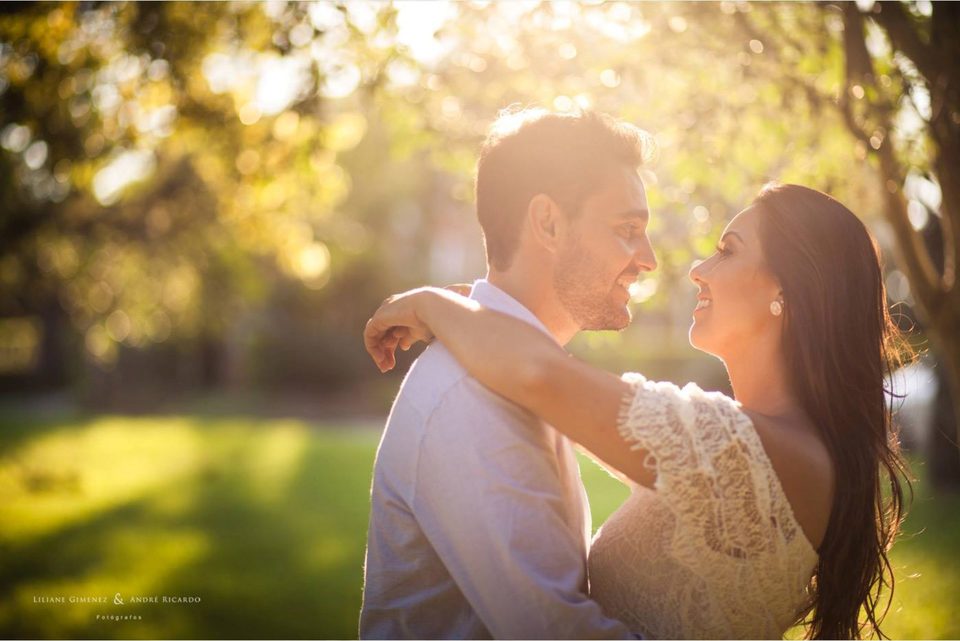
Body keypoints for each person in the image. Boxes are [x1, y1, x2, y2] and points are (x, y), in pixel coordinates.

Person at [364, 183, 911, 639]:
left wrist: (431, 303)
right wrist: (483, 312)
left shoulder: (760, 452)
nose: (698, 269)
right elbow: (565, 390)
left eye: (728, 250)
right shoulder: (766, 446)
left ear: (786, 290)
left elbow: (542, 378)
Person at [359, 108, 656, 639]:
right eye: (627, 230)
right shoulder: (471, 396)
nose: (648, 259)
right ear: (548, 223)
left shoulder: (515, 376)